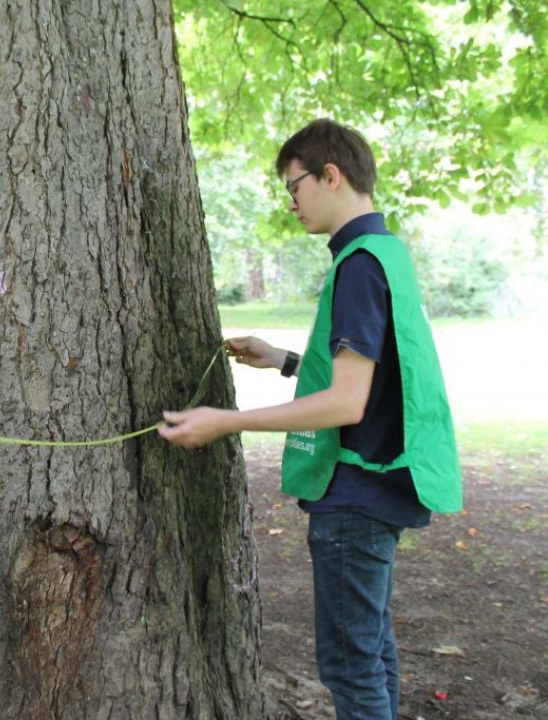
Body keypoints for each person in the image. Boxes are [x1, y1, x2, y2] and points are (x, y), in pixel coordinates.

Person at [159, 119, 462, 720]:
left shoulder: (357, 265)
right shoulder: (385, 254)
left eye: (294, 186)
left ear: (331, 175)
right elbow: (375, 379)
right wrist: (284, 360)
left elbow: (347, 403)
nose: (291, 202)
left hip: (356, 495)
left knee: (351, 665)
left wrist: (226, 421)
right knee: (370, 650)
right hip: (384, 485)